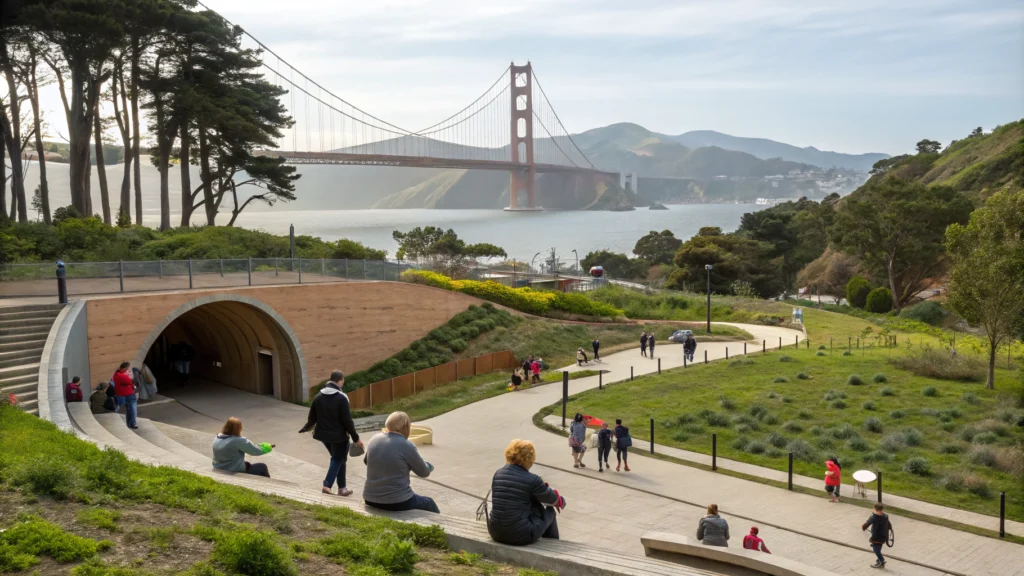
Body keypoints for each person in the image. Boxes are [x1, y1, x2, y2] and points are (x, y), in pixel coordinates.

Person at [487, 439, 566, 546]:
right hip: (520, 536)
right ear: (530, 459)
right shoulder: (533, 480)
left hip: (495, 531)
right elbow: (553, 499)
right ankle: (553, 546)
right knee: (550, 511)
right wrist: (561, 500)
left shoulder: (498, 473)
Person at [299, 370, 363, 496]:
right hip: (339, 436)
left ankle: (342, 489)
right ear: (341, 380)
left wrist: (306, 428)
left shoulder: (318, 396)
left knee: (339, 459)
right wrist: (356, 438)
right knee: (338, 458)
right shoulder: (341, 397)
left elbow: (312, 418)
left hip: (323, 436)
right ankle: (327, 485)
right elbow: (347, 421)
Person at [363, 411, 439, 513]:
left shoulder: (374, 439)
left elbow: (367, 461)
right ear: (406, 427)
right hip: (397, 501)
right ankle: (443, 526)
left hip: (369, 498)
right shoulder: (406, 445)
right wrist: (429, 466)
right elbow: (424, 472)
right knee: (429, 502)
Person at [862, 503, 891, 569]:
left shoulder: (873, 517)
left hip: (876, 537)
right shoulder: (885, 516)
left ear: (875, 510)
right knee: (879, 546)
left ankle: (881, 561)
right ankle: (879, 560)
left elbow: (867, 524)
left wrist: (863, 527)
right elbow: (889, 524)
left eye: (873, 509)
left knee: (876, 550)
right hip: (884, 536)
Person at [111, 361, 138, 429]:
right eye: (128, 368)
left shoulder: (116, 375)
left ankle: (128, 423)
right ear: (125, 368)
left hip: (121, 394)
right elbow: (129, 381)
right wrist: (128, 377)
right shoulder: (122, 376)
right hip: (129, 394)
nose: (128, 369)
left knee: (128, 410)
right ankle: (133, 423)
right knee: (133, 409)